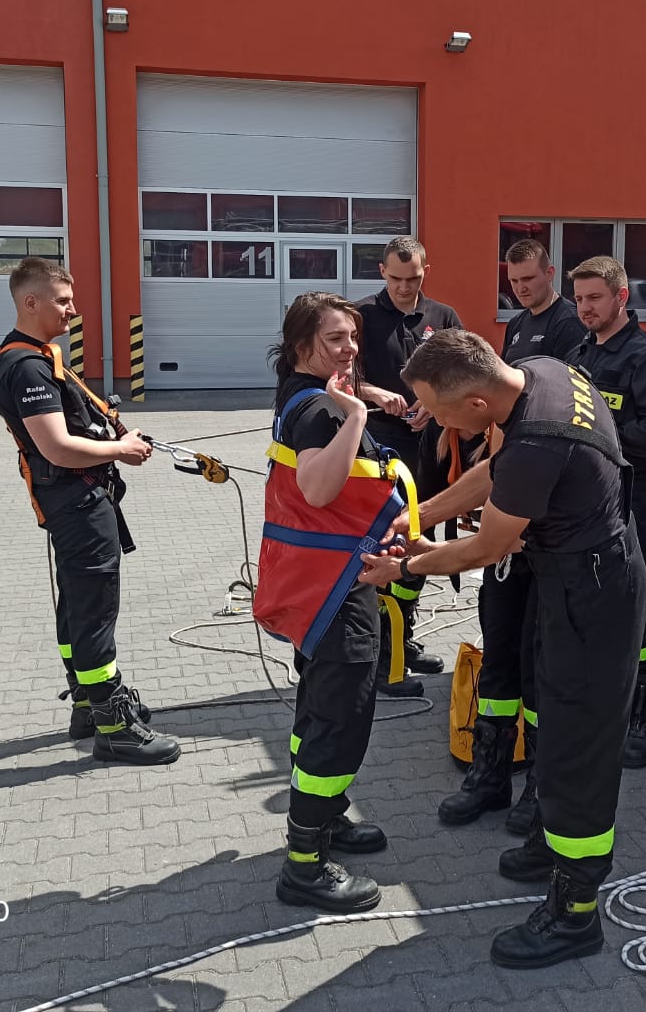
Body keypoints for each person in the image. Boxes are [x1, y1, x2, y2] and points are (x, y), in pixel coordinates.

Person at [358, 329, 645, 970]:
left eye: (442, 413)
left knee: (576, 751)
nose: (439, 425)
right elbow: (495, 472)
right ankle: (551, 844)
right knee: (553, 720)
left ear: (477, 403)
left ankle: (575, 913)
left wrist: (404, 567)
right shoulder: (540, 374)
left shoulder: (538, 442)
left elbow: (490, 546)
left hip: (592, 594)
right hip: (578, 577)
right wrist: (419, 518)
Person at [0, 257, 180, 766]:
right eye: (63, 301)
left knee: (76, 604)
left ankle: (87, 705)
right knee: (94, 609)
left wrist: (115, 439)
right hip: (77, 501)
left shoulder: (32, 356)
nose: (72, 310)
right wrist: (121, 450)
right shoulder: (27, 367)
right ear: (31, 302)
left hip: (76, 499)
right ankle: (114, 726)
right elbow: (56, 447)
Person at [253, 292, 410, 912]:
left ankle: (325, 815)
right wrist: (358, 418)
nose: (350, 347)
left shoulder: (303, 394)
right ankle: (305, 863)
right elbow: (318, 489)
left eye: (353, 336)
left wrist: (360, 397)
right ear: (302, 346)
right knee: (340, 721)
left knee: (318, 709)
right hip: (337, 590)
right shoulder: (322, 412)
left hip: (320, 583)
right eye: (335, 338)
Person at [437, 238, 583, 830]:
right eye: (514, 282)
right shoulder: (518, 326)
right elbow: (502, 418)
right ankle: (491, 773)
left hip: (544, 528)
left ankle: (540, 786)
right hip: (508, 504)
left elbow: (546, 424)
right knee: (498, 648)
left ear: (550, 273)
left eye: (529, 279)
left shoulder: (569, 328)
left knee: (537, 662)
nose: (521, 290)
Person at [567, 256, 646, 770]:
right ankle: (601, 708)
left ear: (621, 297)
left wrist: (598, 435)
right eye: (579, 299)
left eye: (594, 298)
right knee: (588, 606)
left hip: (629, 500)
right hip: (580, 502)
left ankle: (645, 714)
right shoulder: (580, 352)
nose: (585, 308)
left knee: (637, 606)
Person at [356, 235, 462, 695]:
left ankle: (404, 636)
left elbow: (463, 372)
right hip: (377, 452)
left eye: (413, 278)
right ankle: (381, 654)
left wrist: (435, 405)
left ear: (426, 272)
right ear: (382, 271)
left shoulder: (443, 317)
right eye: (396, 278)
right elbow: (339, 378)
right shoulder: (359, 316)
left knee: (418, 545)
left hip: (429, 449)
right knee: (384, 545)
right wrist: (373, 392)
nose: (404, 287)